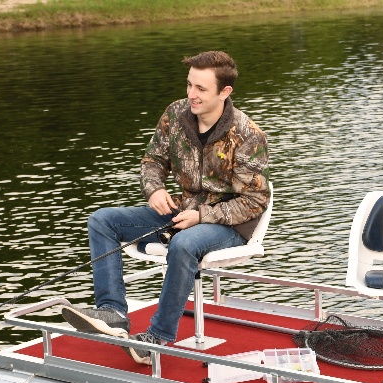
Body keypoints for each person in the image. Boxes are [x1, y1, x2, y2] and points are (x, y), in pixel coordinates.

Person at [61, 50, 270, 365]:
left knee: (184, 244)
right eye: (189, 85)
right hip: (182, 211)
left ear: (225, 92)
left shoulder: (248, 136)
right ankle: (113, 311)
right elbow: (152, 161)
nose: (191, 95)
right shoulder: (175, 114)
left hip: (228, 223)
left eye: (201, 89)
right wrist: (154, 189)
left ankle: (155, 339)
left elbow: (254, 201)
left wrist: (203, 216)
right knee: (102, 221)